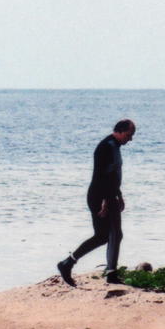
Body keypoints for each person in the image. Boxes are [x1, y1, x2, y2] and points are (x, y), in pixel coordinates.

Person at [57, 119, 136, 286]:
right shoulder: (106, 147)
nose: (130, 139)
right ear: (119, 131)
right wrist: (105, 201)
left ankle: (111, 273)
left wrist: (119, 195)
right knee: (102, 236)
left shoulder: (115, 146)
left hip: (109, 195)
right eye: (129, 135)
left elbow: (114, 175)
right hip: (99, 196)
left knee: (116, 234)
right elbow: (102, 176)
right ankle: (67, 263)